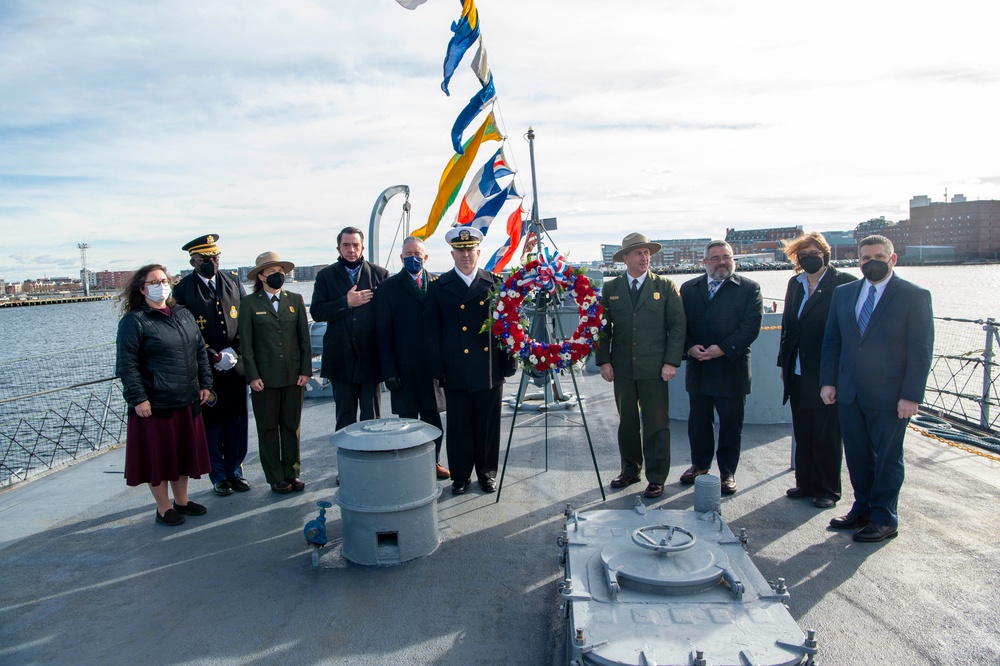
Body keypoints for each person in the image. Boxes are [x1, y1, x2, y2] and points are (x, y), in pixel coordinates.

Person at [820, 235, 933, 542]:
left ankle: (885, 518)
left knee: (887, 457)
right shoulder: (844, 294)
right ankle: (863, 507)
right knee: (857, 454)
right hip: (850, 390)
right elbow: (833, 340)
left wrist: (912, 396)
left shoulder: (914, 295)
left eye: (879, 256)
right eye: (866, 258)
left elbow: (920, 350)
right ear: (859, 261)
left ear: (893, 259)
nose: (872, 263)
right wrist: (828, 381)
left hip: (891, 395)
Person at [115, 264, 212, 526]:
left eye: (164, 280)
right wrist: (138, 399)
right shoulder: (134, 321)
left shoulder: (182, 314)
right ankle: (163, 507)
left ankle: (182, 501)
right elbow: (127, 365)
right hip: (156, 403)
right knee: (158, 460)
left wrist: (205, 383)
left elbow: (199, 350)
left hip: (187, 398)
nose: (161, 285)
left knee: (181, 456)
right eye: (154, 281)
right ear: (142, 288)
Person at [425, 227, 516, 494]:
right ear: (452, 254)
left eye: (470, 250)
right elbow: (431, 332)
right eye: (460, 251)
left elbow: (508, 326)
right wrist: (437, 368)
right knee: (459, 425)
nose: (465, 255)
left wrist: (509, 363)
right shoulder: (439, 287)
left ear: (478, 252)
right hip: (455, 368)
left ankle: (487, 473)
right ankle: (461, 476)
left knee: (488, 425)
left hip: (489, 368)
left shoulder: (495, 284)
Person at [595, 233, 686, 499]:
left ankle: (656, 477)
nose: (644, 257)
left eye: (647, 253)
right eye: (638, 253)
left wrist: (671, 362)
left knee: (657, 423)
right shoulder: (612, 289)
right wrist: (604, 360)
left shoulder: (666, 286)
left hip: (655, 368)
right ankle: (630, 470)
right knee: (628, 423)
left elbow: (677, 327)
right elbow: (602, 328)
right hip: (622, 368)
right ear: (625, 258)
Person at [777, 232, 857, 509]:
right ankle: (805, 482)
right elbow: (788, 326)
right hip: (797, 368)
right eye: (804, 255)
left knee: (827, 431)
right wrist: (783, 364)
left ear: (826, 254)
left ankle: (827, 489)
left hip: (826, 370)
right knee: (803, 427)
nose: (809, 259)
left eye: (814, 254)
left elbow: (849, 332)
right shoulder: (795, 284)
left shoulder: (844, 283)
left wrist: (836, 375)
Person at [679, 240, 763, 495]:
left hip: (731, 367)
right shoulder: (689, 288)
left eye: (726, 257)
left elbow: (751, 326)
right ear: (705, 263)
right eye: (714, 258)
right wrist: (690, 347)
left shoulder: (749, 288)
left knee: (730, 424)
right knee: (699, 422)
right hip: (699, 366)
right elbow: (679, 325)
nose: (721, 262)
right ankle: (699, 465)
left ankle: (728, 472)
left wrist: (723, 348)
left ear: (733, 259)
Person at [172, 234, 251, 496]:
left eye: (215, 257)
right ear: (194, 261)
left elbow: (245, 321)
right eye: (205, 259)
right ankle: (217, 475)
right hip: (206, 370)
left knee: (236, 422)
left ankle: (236, 471)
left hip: (235, 367)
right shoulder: (183, 290)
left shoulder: (233, 282)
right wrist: (212, 356)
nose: (212, 263)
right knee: (213, 425)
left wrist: (235, 351)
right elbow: (185, 331)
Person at [375, 236, 450, 479]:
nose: (413, 259)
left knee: (432, 420)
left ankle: (433, 463)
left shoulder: (437, 284)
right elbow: (383, 333)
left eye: (417, 255)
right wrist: (389, 371)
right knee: (406, 421)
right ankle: (409, 466)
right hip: (403, 368)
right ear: (401, 257)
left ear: (426, 258)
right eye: (408, 255)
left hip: (432, 368)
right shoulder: (388, 288)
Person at [238, 252, 312, 494]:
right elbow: (246, 344)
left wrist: (305, 371)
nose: (278, 275)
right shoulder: (249, 303)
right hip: (265, 379)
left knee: (292, 426)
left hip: (293, 376)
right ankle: (275, 476)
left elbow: (304, 339)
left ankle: (292, 473)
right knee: (268, 428)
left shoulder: (295, 299)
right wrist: (252, 376)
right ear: (261, 276)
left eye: (280, 271)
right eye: (272, 272)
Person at [310, 227, 389, 431]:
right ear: (338, 248)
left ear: (362, 247)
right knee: (345, 418)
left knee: (372, 420)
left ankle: (372, 460)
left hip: (371, 360)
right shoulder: (326, 276)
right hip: (340, 359)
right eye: (346, 245)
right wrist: (346, 302)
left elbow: (388, 316)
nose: (351, 250)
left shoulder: (380, 275)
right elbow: (317, 312)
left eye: (355, 245)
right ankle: (347, 460)